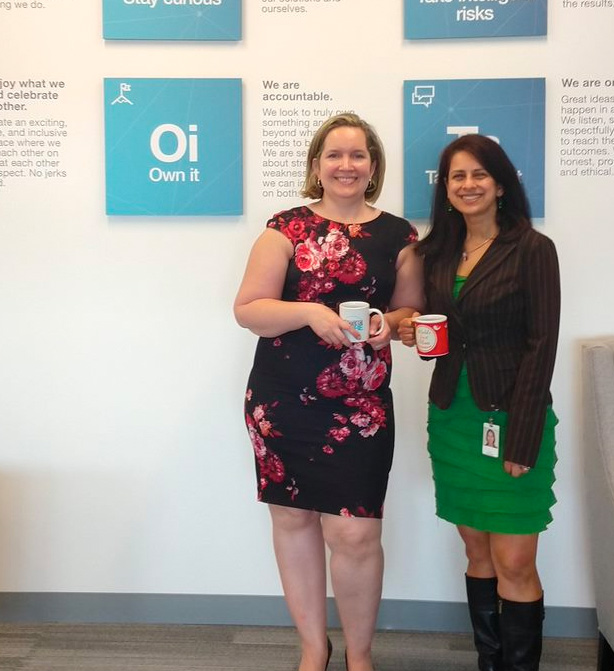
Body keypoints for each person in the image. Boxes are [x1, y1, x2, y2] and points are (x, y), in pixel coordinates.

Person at [234, 113, 424, 671]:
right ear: (316, 165)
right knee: (293, 520)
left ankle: (359, 656)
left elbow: (410, 310)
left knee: (356, 533)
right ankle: (314, 649)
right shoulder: (284, 228)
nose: (346, 165)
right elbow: (249, 310)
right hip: (282, 400)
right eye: (334, 155)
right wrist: (309, 312)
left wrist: (393, 323)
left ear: (373, 166)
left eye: (358, 155)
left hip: (360, 407)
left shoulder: (399, 235)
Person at [399, 134, 560, 671]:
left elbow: (542, 346)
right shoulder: (437, 253)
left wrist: (524, 436)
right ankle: (489, 663)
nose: (468, 186)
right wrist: (416, 335)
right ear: (445, 190)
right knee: (477, 552)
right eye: (456, 177)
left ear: (500, 184)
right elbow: (444, 336)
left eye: (478, 175)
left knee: (514, 558)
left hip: (514, 416)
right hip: (454, 417)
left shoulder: (533, 249)